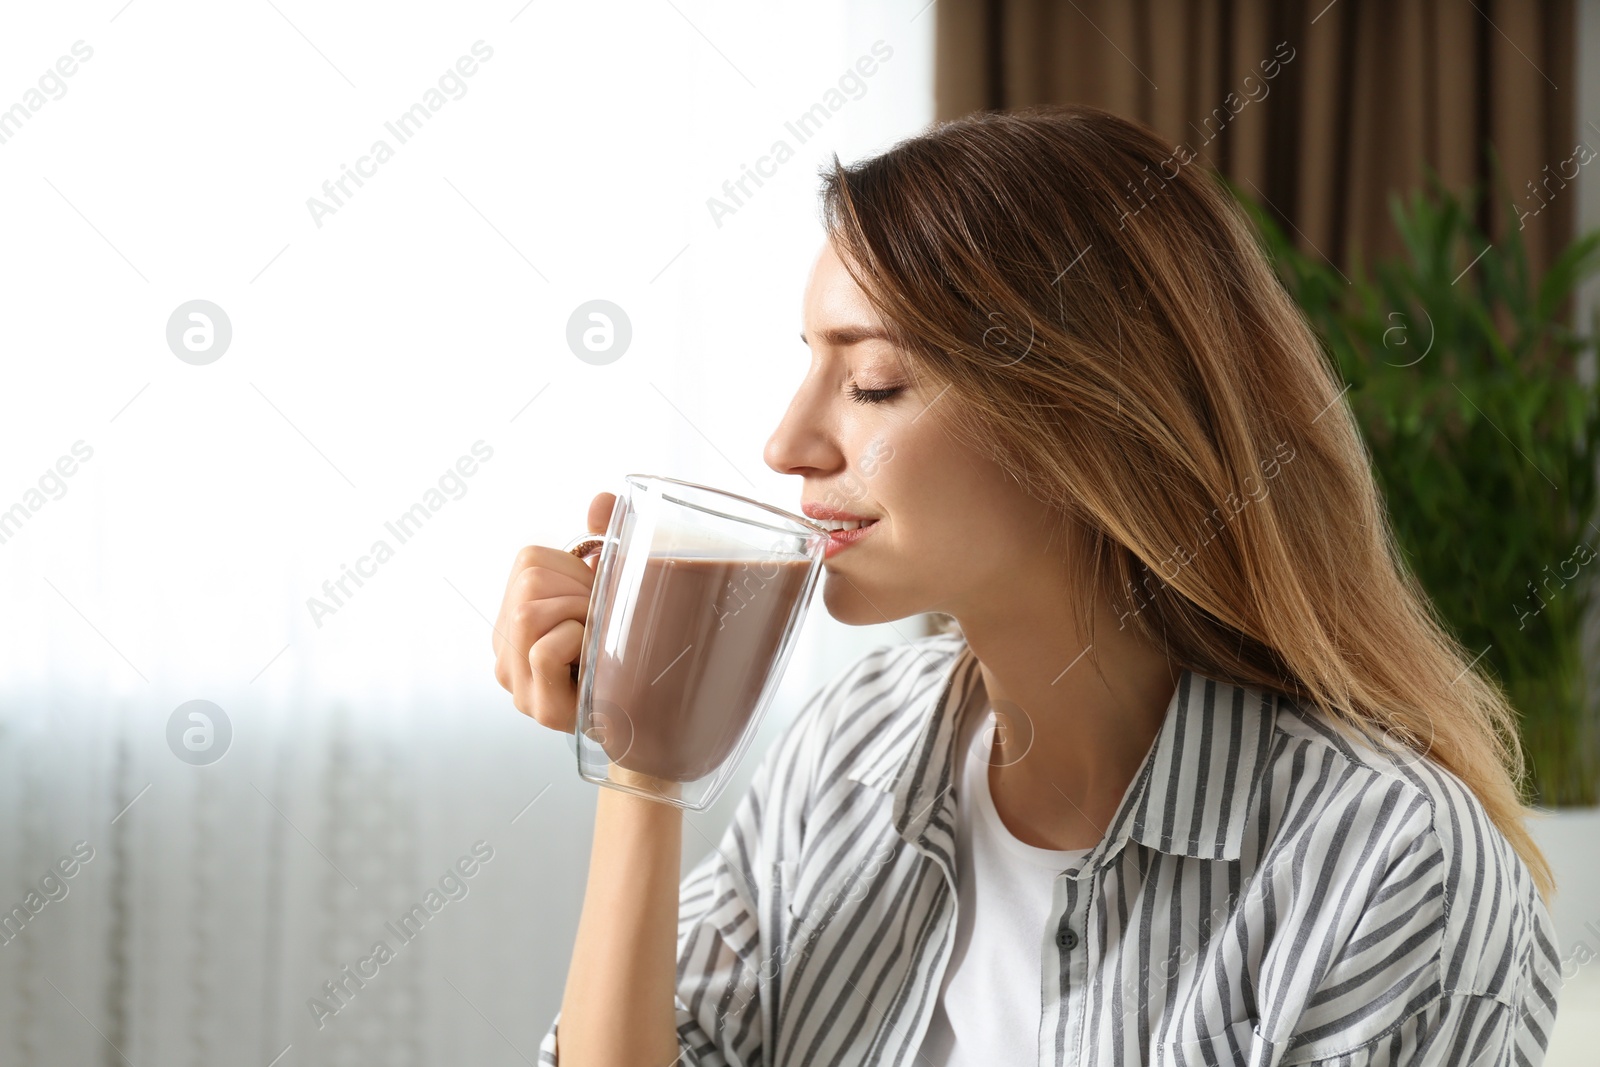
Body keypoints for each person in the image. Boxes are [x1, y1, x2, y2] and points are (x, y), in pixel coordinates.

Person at [493, 104, 1564, 1066]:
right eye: (810, 366)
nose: (785, 442)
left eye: (871, 382)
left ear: (1083, 421)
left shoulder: (1389, 862)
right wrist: (647, 763)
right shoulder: (850, 749)